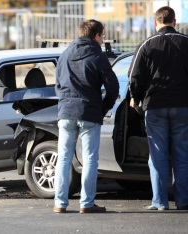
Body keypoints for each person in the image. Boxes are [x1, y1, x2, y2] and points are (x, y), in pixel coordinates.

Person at [54, 19, 119, 213]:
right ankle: (87, 203)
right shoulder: (97, 55)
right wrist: (103, 108)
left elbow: (58, 84)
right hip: (89, 112)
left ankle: (60, 203)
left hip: (65, 112)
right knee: (90, 159)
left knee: (64, 159)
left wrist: (65, 101)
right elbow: (113, 87)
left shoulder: (65, 54)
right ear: (96, 35)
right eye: (103, 36)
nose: (103, 40)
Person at [128, 6, 188, 211]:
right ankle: (183, 200)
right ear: (174, 21)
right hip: (183, 105)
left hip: (155, 106)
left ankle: (160, 202)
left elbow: (134, 76)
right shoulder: (186, 42)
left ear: (156, 22)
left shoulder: (147, 44)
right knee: (182, 154)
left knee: (158, 155)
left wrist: (135, 97)